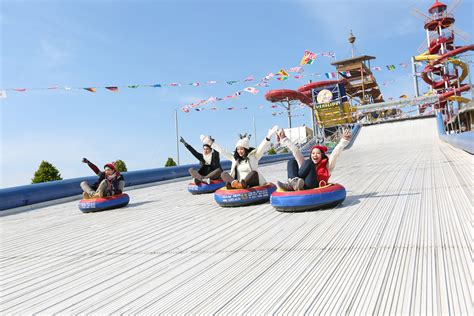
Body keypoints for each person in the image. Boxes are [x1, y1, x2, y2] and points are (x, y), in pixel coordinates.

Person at [202, 125, 279, 189]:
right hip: (238, 182)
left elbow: (262, 147)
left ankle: (241, 185)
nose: (239, 151)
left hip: (252, 183)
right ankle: (235, 184)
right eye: (238, 149)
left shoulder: (254, 156)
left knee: (253, 173)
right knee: (223, 174)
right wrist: (211, 143)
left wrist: (268, 136)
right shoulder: (235, 158)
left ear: (245, 149)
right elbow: (222, 151)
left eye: (241, 149)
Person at [277, 128, 352, 191]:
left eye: (318, 153)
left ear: (322, 155)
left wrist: (343, 141)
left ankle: (293, 183)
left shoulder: (327, 165)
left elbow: (335, 154)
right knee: (292, 161)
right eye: (313, 153)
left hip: (312, 185)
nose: (315, 155)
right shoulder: (306, 164)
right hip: (301, 183)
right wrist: (284, 138)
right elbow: (296, 151)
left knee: (309, 162)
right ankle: (293, 182)